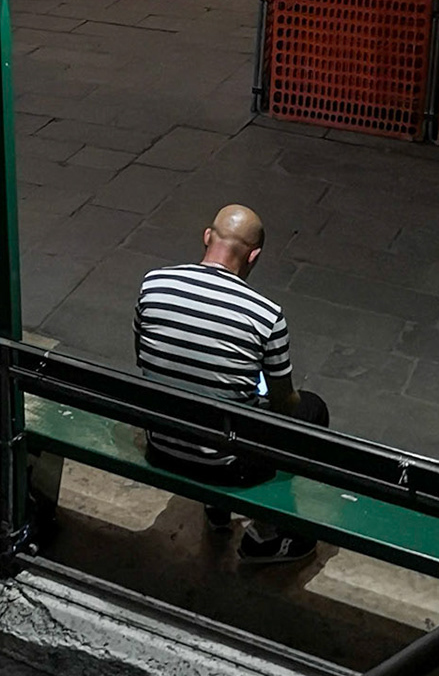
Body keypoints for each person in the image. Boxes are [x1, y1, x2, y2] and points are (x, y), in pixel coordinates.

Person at [133, 204, 331, 564]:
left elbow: (146, 360)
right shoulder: (265, 315)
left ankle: (216, 508)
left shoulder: (154, 284)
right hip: (225, 462)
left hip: (161, 445)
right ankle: (267, 534)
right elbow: (286, 405)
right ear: (254, 256)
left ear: (207, 237)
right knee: (311, 410)